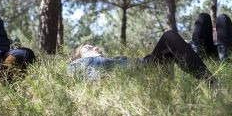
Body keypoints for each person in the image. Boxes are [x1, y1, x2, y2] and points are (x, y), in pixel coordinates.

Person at [68, 29, 214, 82]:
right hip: (145, 70)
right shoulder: (78, 65)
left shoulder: (104, 61)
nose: (96, 48)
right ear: (80, 57)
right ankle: (212, 82)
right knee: (169, 36)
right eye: (88, 48)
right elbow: (70, 70)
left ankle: (209, 80)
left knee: (172, 42)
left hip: (147, 66)